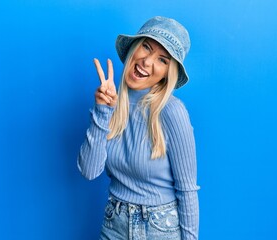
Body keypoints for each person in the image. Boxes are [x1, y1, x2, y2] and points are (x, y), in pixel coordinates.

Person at [77, 16, 199, 240]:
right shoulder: (111, 101)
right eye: (146, 47)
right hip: (114, 223)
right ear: (134, 47)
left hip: (159, 228)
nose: (147, 62)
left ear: (167, 73)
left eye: (162, 59)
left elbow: (187, 190)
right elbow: (89, 171)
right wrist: (103, 110)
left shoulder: (172, 111)